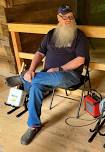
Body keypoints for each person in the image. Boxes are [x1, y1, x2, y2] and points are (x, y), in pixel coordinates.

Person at [9, 5, 89, 145]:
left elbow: (81, 59)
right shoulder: (51, 33)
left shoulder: (79, 35)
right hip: (46, 75)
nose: (69, 19)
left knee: (46, 78)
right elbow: (40, 53)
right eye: (65, 17)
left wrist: (59, 68)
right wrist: (31, 69)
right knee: (36, 86)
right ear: (58, 18)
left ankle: (22, 78)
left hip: (68, 75)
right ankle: (33, 125)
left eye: (71, 17)